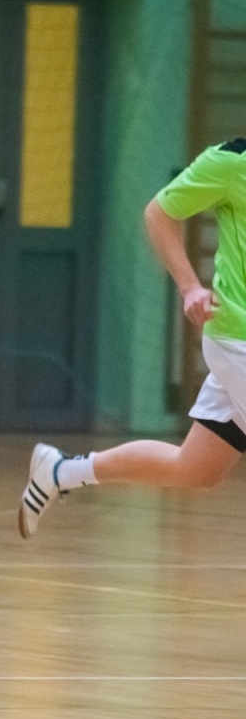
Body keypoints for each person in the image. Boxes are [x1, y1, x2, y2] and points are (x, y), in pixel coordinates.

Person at [19, 139, 245, 538]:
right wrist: (190, 287)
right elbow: (159, 214)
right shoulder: (231, 162)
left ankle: (62, 471)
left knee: (195, 467)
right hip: (237, 340)